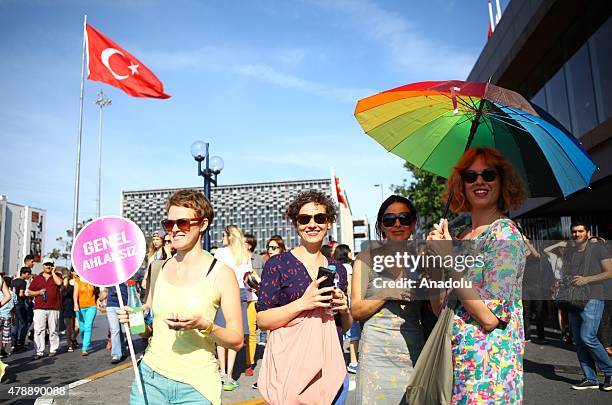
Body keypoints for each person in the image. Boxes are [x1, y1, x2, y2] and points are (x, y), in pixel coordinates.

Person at [118, 189, 243, 405]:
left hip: (197, 387)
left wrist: (205, 325)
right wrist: (134, 321)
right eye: (169, 224)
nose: (174, 229)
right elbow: (147, 331)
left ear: (203, 224)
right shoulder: (157, 268)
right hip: (150, 379)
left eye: (183, 223)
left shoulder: (221, 274)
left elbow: (237, 340)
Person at [428, 147, 528, 403]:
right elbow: (441, 309)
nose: (480, 181)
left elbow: (489, 317)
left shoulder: (504, 234)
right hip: (458, 369)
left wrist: (448, 258)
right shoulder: (461, 238)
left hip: (489, 376)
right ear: (460, 185)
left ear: (503, 181)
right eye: (470, 176)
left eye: (489, 174)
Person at [256, 190, 351, 404]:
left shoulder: (337, 269)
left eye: (320, 218)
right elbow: (262, 320)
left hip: (332, 366)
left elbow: (344, 326)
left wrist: (344, 309)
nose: (312, 224)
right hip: (292, 368)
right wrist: (303, 303)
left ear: (329, 223)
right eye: (304, 218)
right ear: (295, 223)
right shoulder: (277, 264)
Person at [351, 195, 424, 404]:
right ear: (381, 225)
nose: (397, 224)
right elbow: (355, 310)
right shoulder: (365, 259)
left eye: (404, 218)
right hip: (375, 354)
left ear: (414, 223)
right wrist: (388, 291)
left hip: (414, 352)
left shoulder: (424, 259)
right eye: (390, 219)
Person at [564, 221, 612, 391]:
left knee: (588, 337)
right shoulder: (571, 251)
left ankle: (609, 371)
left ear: (588, 232)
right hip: (574, 298)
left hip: (593, 297)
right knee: (578, 340)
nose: (577, 234)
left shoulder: (597, 248)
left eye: (580, 231)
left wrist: (587, 280)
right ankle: (590, 378)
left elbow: (610, 271)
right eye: (574, 232)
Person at [214, 225, 252, 391]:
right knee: (236, 335)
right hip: (240, 293)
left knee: (221, 334)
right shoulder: (244, 253)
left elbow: (214, 275)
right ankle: (229, 375)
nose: (222, 238)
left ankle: (222, 372)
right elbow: (248, 277)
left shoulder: (220, 253)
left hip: (223, 292)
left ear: (228, 236)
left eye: (223, 235)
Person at [27, 257, 63, 359]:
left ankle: (53, 349)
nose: (48, 266)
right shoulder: (37, 278)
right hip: (39, 308)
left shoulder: (57, 275)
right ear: (43, 266)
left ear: (53, 266)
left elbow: (59, 283)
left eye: (50, 264)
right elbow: (29, 292)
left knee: (53, 330)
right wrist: (38, 292)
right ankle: (39, 351)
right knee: (38, 330)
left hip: (54, 308)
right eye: (46, 264)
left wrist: (53, 273)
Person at [334, 244, 360, 374]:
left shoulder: (334, 266)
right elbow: (349, 287)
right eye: (349, 251)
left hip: (335, 301)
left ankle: (340, 361)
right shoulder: (348, 267)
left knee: (340, 334)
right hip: (346, 301)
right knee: (354, 334)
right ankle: (354, 362)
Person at [243, 233, 262, 377]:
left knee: (251, 332)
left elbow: (265, 280)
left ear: (249, 244)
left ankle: (249, 362)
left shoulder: (259, 260)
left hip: (253, 299)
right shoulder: (236, 259)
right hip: (239, 297)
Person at [98, 282, 128, 363]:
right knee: (115, 330)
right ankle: (116, 355)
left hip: (124, 305)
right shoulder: (110, 278)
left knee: (123, 330)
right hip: (111, 306)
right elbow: (105, 291)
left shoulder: (126, 275)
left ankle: (123, 350)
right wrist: (100, 299)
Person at [73, 273, 98, 356]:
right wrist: (76, 304)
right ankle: (85, 342)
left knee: (88, 326)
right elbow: (75, 294)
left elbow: (96, 292)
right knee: (82, 328)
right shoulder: (77, 280)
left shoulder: (92, 279)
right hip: (80, 308)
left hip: (91, 306)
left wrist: (98, 301)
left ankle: (84, 347)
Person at [11, 267, 31, 352]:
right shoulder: (23, 282)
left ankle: (13, 344)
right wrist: (28, 297)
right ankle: (21, 343)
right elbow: (21, 294)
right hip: (20, 304)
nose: (29, 276)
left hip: (13, 305)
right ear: (24, 273)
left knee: (15, 325)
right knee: (24, 324)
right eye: (28, 274)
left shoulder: (13, 281)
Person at [61, 269, 78, 351]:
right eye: (74, 271)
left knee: (78, 327)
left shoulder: (79, 281)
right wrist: (65, 284)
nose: (76, 273)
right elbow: (63, 294)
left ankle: (73, 338)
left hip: (79, 305)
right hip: (68, 306)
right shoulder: (66, 281)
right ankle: (69, 344)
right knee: (69, 327)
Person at [0, 276, 16, 357]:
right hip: (8, 316)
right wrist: (14, 316)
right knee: (5, 335)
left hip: (0, 315)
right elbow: (13, 305)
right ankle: (2, 349)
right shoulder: (12, 294)